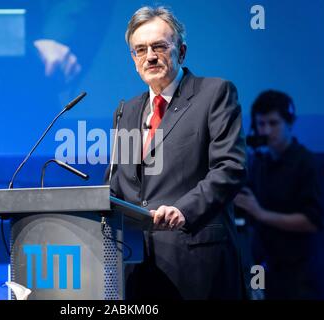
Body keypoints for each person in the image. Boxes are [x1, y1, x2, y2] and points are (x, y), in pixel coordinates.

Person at [106, 6, 247, 299]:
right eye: (140, 50)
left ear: (181, 51)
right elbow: (122, 183)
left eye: (159, 46)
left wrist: (184, 209)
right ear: (133, 59)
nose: (150, 56)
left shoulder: (214, 93)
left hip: (196, 261)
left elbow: (230, 168)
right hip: (138, 266)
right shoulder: (127, 110)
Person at [234, 90, 324, 299]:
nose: (266, 130)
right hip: (261, 264)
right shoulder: (259, 163)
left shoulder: (309, 165)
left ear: (289, 122)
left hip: (298, 272)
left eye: (273, 123)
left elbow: (312, 221)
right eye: (261, 124)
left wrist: (261, 214)